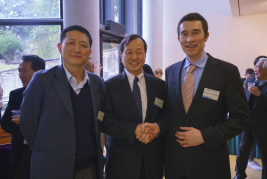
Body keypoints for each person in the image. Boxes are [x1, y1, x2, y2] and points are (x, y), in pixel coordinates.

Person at [164, 13, 251, 179]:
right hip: (175, 165)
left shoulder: (227, 72)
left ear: (206, 36)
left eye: (196, 32)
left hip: (210, 165)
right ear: (178, 38)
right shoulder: (171, 71)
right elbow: (170, 113)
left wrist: (205, 136)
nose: (190, 39)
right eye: (185, 34)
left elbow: (242, 119)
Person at [19, 25, 106, 179]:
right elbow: (28, 124)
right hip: (51, 167)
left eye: (83, 45)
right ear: (60, 47)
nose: (77, 49)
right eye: (71, 43)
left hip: (88, 167)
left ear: (89, 52)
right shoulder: (42, 80)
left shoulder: (97, 83)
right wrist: (48, 151)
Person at [101, 34, 169, 179]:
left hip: (153, 161)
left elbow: (168, 114)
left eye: (139, 52)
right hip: (120, 162)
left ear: (145, 55)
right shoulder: (109, 86)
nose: (134, 57)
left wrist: (157, 127)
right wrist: (135, 129)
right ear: (121, 56)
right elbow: (105, 121)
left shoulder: (160, 85)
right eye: (129, 52)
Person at [0, 55, 45, 179]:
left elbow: (53, 124)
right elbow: (5, 122)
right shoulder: (15, 95)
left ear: (39, 72)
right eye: (19, 71)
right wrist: (25, 132)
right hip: (20, 153)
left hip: (42, 153)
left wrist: (26, 123)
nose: (20, 75)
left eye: (24, 71)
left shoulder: (50, 95)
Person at [234, 57, 267, 179]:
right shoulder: (250, 80)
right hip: (248, 124)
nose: (255, 70)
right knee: (242, 152)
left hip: (263, 127)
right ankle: (239, 174)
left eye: (257, 67)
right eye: (255, 67)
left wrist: (259, 95)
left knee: (265, 157)